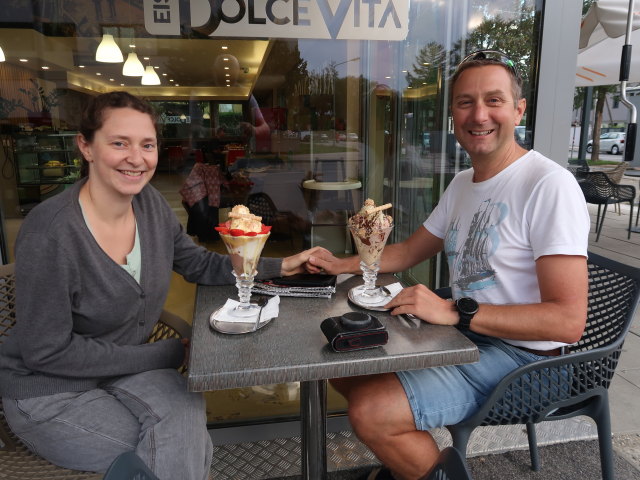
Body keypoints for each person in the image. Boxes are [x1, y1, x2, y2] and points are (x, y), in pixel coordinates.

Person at [0, 91, 327, 479]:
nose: (136, 158)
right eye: (119, 143)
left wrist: (280, 265)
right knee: (175, 445)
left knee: (183, 419)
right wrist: (166, 353)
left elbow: (197, 263)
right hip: (52, 392)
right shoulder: (49, 233)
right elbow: (47, 353)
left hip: (125, 369)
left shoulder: (149, 205)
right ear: (86, 147)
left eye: (147, 145)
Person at [306, 51, 591, 479]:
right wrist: (340, 264)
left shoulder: (549, 186)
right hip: (466, 339)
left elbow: (567, 322)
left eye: (494, 101)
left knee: (372, 410)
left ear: (518, 110)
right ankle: (412, 466)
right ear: (453, 112)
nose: (479, 115)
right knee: (344, 368)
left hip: (529, 365)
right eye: (465, 102)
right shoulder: (462, 183)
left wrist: (456, 311)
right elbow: (409, 251)